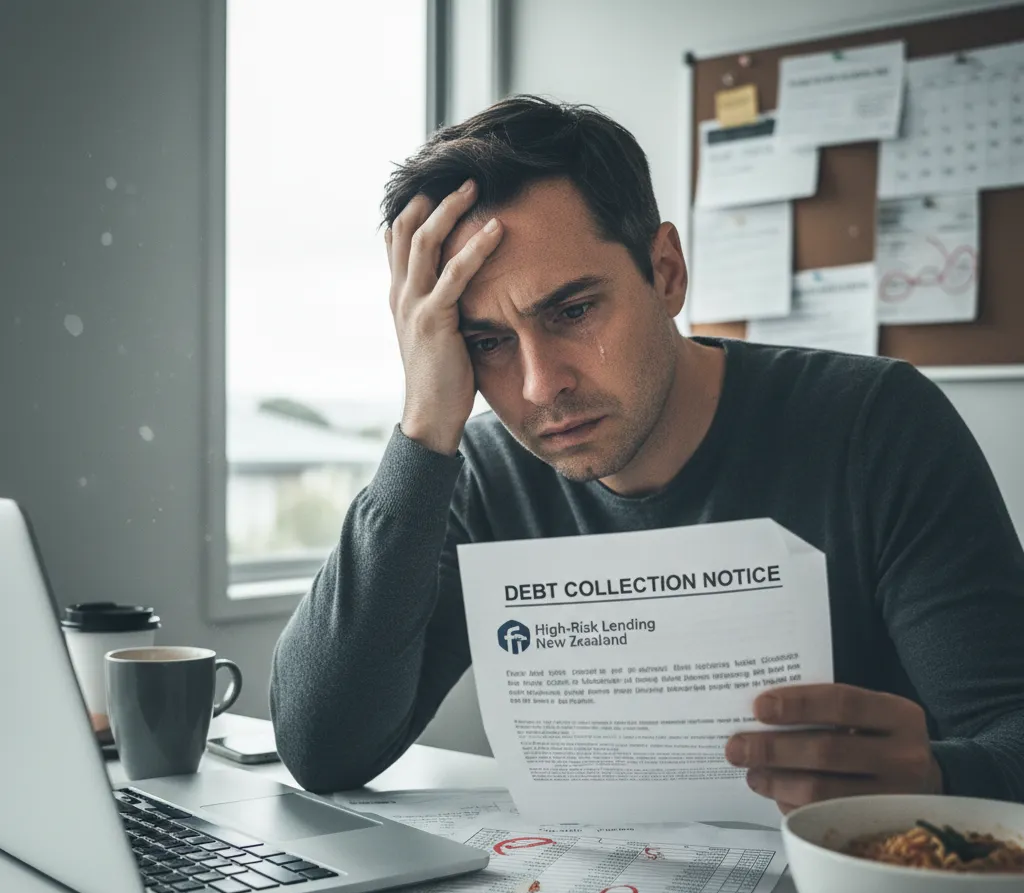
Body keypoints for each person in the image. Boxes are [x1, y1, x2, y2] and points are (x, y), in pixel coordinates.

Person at [270, 95, 1024, 812]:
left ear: (666, 271)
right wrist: (424, 426)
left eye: (573, 311)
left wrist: (933, 775)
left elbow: (1009, 731)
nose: (539, 387)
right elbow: (322, 749)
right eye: (486, 343)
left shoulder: (876, 425)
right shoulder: (483, 473)